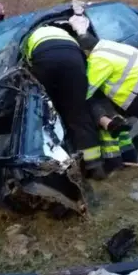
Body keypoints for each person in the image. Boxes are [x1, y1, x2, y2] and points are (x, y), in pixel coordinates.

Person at [23, 25, 107, 179]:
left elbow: (27, 64)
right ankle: (95, 166)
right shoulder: (66, 35)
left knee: (43, 112)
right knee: (79, 113)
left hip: (44, 59)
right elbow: (84, 61)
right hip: (73, 60)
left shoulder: (29, 37)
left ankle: (54, 166)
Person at [80, 35, 138, 167]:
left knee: (104, 116)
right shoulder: (109, 44)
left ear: (86, 51)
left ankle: (113, 163)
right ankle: (130, 157)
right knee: (121, 122)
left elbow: (86, 91)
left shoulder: (98, 59)